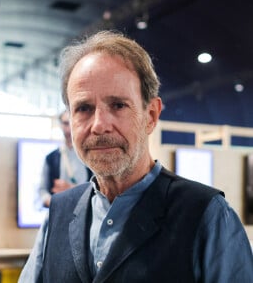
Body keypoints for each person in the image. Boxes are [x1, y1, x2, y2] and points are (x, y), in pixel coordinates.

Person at [19, 30, 253, 282]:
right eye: (84, 108)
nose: (99, 125)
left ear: (150, 115)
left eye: (118, 105)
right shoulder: (58, 214)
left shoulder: (206, 215)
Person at [39, 110, 92, 207]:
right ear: (60, 125)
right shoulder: (51, 158)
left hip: (87, 214)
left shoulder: (92, 155)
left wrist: (71, 190)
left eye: (72, 123)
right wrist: (55, 202)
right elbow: (42, 191)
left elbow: (101, 192)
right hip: (59, 214)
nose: (69, 129)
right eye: (66, 123)